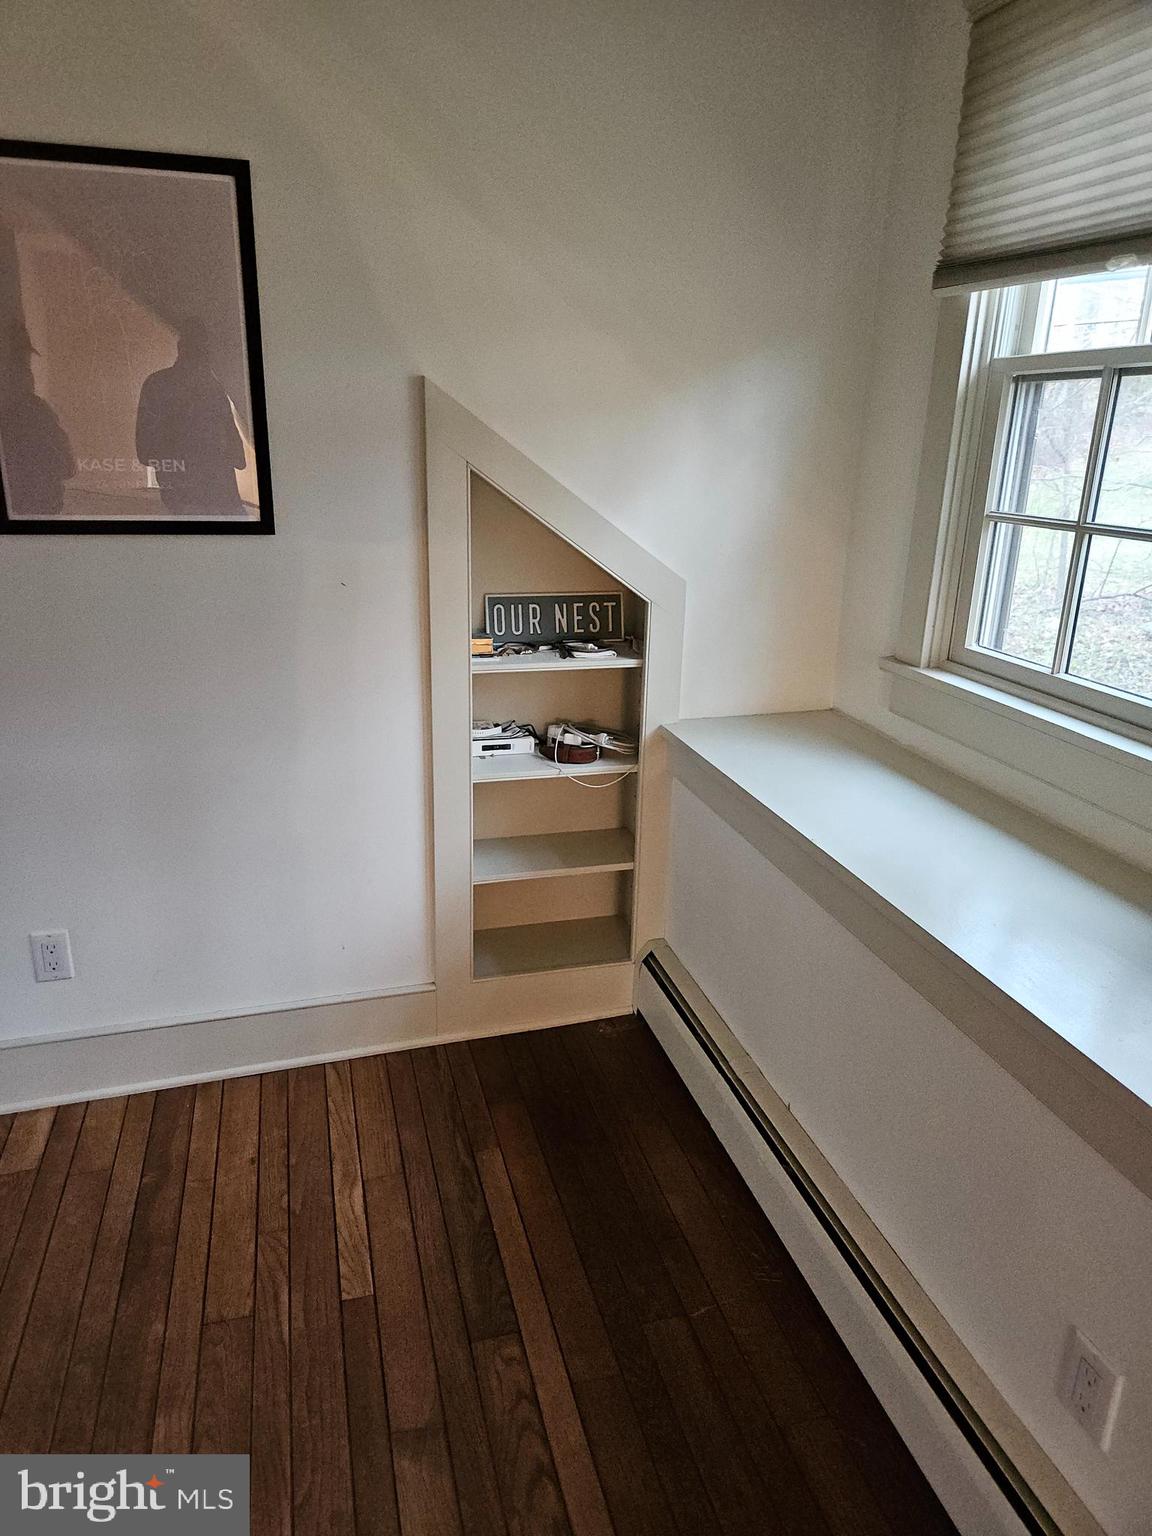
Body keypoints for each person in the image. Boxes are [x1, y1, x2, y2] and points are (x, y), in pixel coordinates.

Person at [135, 318, 245, 516]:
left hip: (191, 484)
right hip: (210, 484)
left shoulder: (159, 383)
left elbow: (145, 447)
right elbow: (230, 436)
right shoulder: (211, 386)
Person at [0, 322, 76, 517]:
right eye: (20, 364)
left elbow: (66, 466)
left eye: (25, 364)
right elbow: (66, 466)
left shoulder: (36, 410)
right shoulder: (33, 411)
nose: (28, 373)